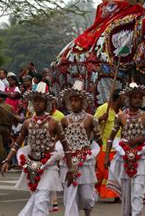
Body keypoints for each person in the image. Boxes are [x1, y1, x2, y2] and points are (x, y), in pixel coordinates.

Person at [1, 86, 73, 216]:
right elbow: (17, 144)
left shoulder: (54, 123)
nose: (37, 103)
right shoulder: (27, 123)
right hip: (32, 165)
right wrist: (7, 160)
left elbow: (66, 147)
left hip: (49, 166)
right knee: (36, 198)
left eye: (40, 101)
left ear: (47, 103)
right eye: (35, 101)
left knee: (41, 199)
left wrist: (70, 169)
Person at [104, 83, 145, 216]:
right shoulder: (120, 117)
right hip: (124, 156)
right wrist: (106, 157)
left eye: (140, 97)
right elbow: (110, 138)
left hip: (141, 156)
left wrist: (141, 140)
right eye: (135, 97)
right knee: (127, 195)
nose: (138, 100)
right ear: (128, 99)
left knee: (138, 192)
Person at [60, 81, 102, 216]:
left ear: (83, 102)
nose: (73, 103)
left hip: (85, 160)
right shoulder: (64, 120)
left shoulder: (91, 119)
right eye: (71, 100)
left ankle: (88, 212)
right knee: (70, 194)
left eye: (76, 100)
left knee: (86, 196)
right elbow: (59, 140)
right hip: (68, 160)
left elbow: (99, 140)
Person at [94, 90, 124, 200]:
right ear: (117, 100)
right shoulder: (103, 108)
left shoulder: (121, 113)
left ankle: (116, 194)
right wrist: (101, 119)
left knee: (114, 173)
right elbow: (92, 123)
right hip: (105, 148)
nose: (125, 100)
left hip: (117, 148)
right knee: (104, 173)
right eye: (123, 98)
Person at [0, 91, 16, 170]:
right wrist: (10, 131)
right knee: (5, 146)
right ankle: (7, 163)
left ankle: (2, 165)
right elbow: (11, 121)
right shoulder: (10, 107)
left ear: (1, 98)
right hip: (7, 128)